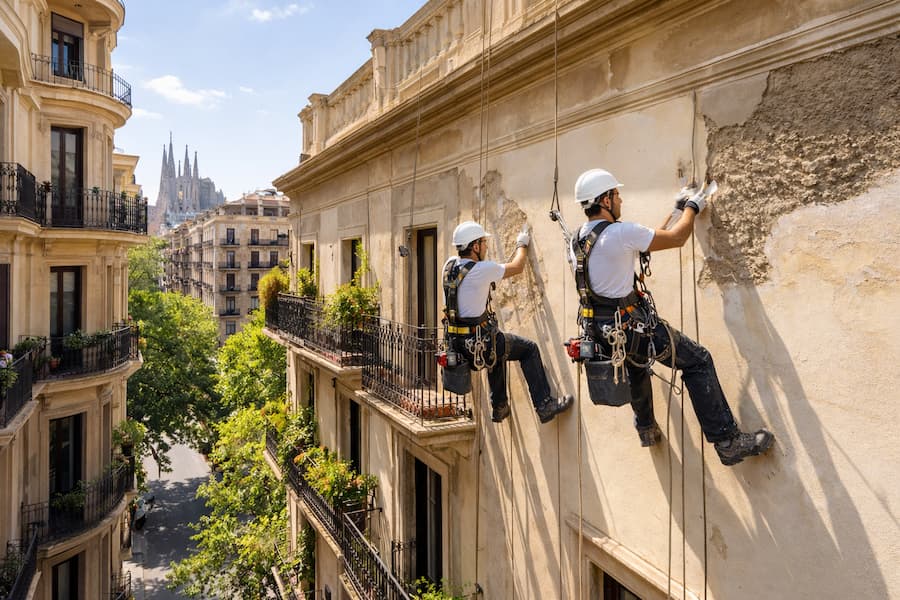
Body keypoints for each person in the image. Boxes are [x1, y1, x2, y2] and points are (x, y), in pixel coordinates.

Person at [569, 169, 774, 466]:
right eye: (616, 195)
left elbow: (642, 242)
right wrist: (692, 208)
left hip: (600, 329)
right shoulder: (619, 233)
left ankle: (645, 429)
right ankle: (727, 441)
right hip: (628, 324)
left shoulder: (578, 240)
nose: (621, 199)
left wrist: (674, 211)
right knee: (697, 360)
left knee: (636, 365)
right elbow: (677, 238)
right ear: (604, 200)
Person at [443, 220, 573, 424]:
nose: (486, 246)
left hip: (458, 344)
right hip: (477, 345)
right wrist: (522, 244)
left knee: (499, 345)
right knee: (528, 349)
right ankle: (544, 404)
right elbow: (518, 266)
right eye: (484, 242)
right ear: (475, 246)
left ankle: (500, 406)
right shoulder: (482, 269)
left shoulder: (449, 265)